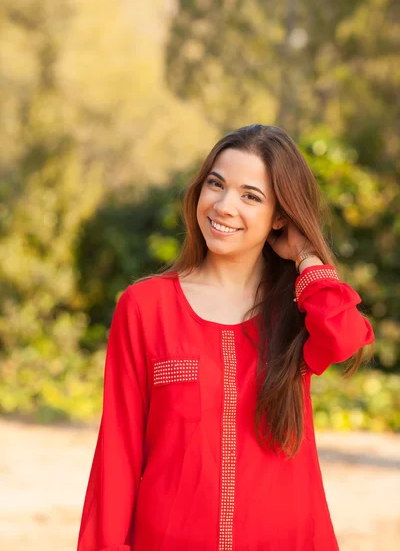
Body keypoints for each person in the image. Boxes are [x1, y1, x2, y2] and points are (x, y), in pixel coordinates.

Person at [77, 124, 374, 551]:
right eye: (216, 184)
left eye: (250, 196)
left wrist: (307, 256)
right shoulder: (145, 307)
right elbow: (117, 456)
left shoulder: (295, 310)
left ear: (280, 217)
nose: (223, 205)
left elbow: (345, 338)